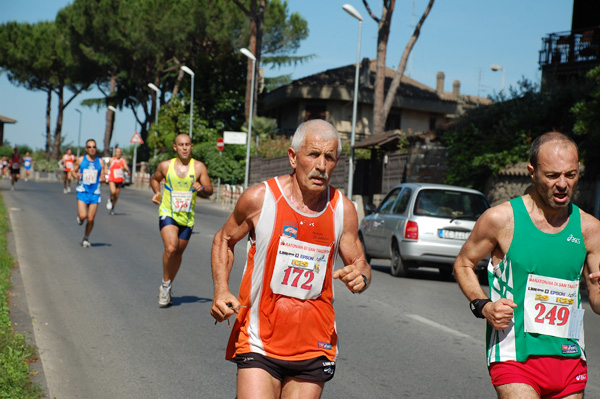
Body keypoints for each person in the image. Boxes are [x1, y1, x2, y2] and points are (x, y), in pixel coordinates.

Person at [210, 119, 372, 399]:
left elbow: (360, 263)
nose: (321, 165)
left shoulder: (343, 211)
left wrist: (362, 277)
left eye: (329, 157)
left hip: (314, 342)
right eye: (313, 154)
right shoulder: (260, 199)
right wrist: (221, 289)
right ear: (293, 157)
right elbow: (224, 239)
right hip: (259, 339)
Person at [454, 132, 600, 399]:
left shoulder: (590, 229)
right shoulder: (501, 219)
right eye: (553, 175)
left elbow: (597, 301)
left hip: (570, 359)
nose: (563, 184)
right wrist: (482, 305)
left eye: (571, 174)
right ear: (532, 172)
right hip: (514, 358)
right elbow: (463, 264)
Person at [151, 133, 213, 307]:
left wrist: (202, 188)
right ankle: (164, 285)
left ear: (191, 146)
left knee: (178, 252)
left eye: (188, 144)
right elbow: (155, 180)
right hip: (168, 211)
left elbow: (210, 190)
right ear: (175, 147)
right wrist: (156, 192)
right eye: (181, 145)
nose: (184, 148)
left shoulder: (199, 167)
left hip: (187, 215)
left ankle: (169, 283)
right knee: (171, 248)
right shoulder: (165, 166)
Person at [71, 139, 105, 248]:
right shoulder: (81, 159)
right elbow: (73, 171)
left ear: (96, 148)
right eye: (89, 147)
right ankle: (80, 218)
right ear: (86, 149)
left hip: (95, 192)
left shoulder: (100, 162)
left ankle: (86, 237)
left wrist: (103, 178)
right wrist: (75, 175)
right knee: (83, 216)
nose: (92, 149)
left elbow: (104, 175)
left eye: (94, 147)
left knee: (90, 218)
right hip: (82, 190)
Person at [106, 147, 130, 215]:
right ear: (115, 153)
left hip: (119, 179)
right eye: (117, 152)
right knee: (113, 191)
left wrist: (124, 168)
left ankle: (112, 208)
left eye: (119, 152)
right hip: (112, 179)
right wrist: (105, 170)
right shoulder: (112, 160)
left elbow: (127, 169)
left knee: (116, 195)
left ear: (121, 153)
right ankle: (110, 199)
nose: (118, 153)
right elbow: (106, 165)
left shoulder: (123, 161)